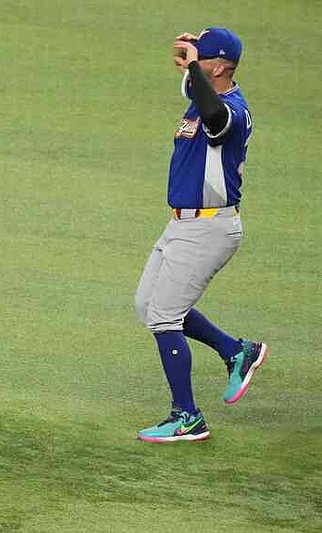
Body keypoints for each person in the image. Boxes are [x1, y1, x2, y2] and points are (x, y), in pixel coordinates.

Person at [134, 28, 267, 443]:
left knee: (164, 316)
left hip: (210, 226)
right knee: (148, 305)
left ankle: (187, 416)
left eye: (203, 57)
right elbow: (197, 90)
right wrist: (193, 61)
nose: (192, 63)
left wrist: (196, 65)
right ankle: (235, 351)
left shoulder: (232, 110)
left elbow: (214, 115)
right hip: (181, 223)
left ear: (222, 67)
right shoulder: (201, 94)